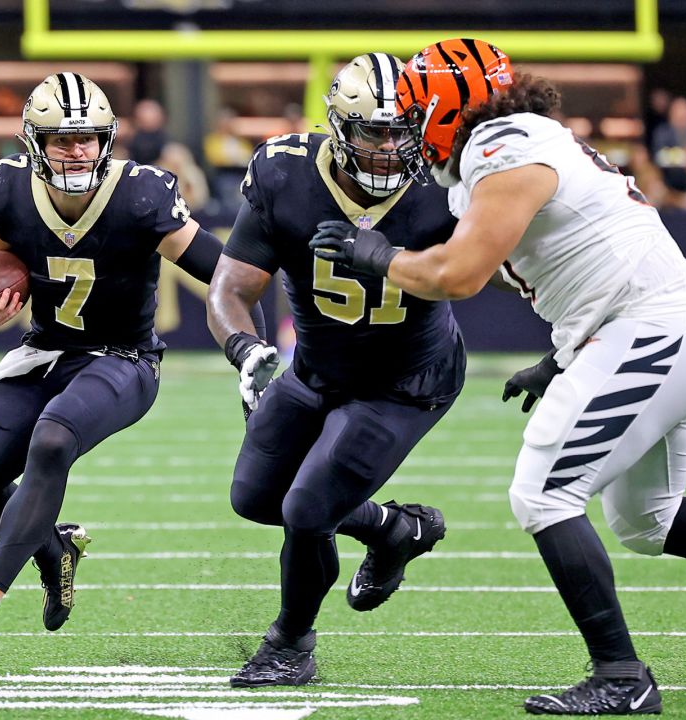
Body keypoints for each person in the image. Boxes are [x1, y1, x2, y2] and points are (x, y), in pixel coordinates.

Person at [310, 39, 686, 715]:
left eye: (415, 110)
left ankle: (621, 674)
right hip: (657, 329)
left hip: (652, 330)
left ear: (449, 108)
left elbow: (457, 274)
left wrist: (374, 253)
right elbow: (577, 255)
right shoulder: (519, 143)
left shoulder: (502, 145)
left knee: (543, 493)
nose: (406, 127)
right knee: (646, 520)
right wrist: (559, 358)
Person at [0, 72, 264, 654]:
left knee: (53, 440)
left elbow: (229, 274)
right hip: (45, 351)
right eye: (62, 138)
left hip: (124, 358)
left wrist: (251, 344)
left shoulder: (139, 194)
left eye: (87, 137)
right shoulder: (6, 189)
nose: (77, 149)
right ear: (33, 141)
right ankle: (54, 549)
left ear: (108, 137)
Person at [206, 52, 464, 688]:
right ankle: (393, 528)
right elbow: (230, 290)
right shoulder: (285, 173)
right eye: (372, 132)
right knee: (256, 498)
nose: (388, 148)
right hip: (317, 368)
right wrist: (248, 351)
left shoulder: (450, 183)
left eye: (402, 131)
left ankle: (290, 643)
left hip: (407, 380)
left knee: (307, 508)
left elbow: (520, 270)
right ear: (336, 128)